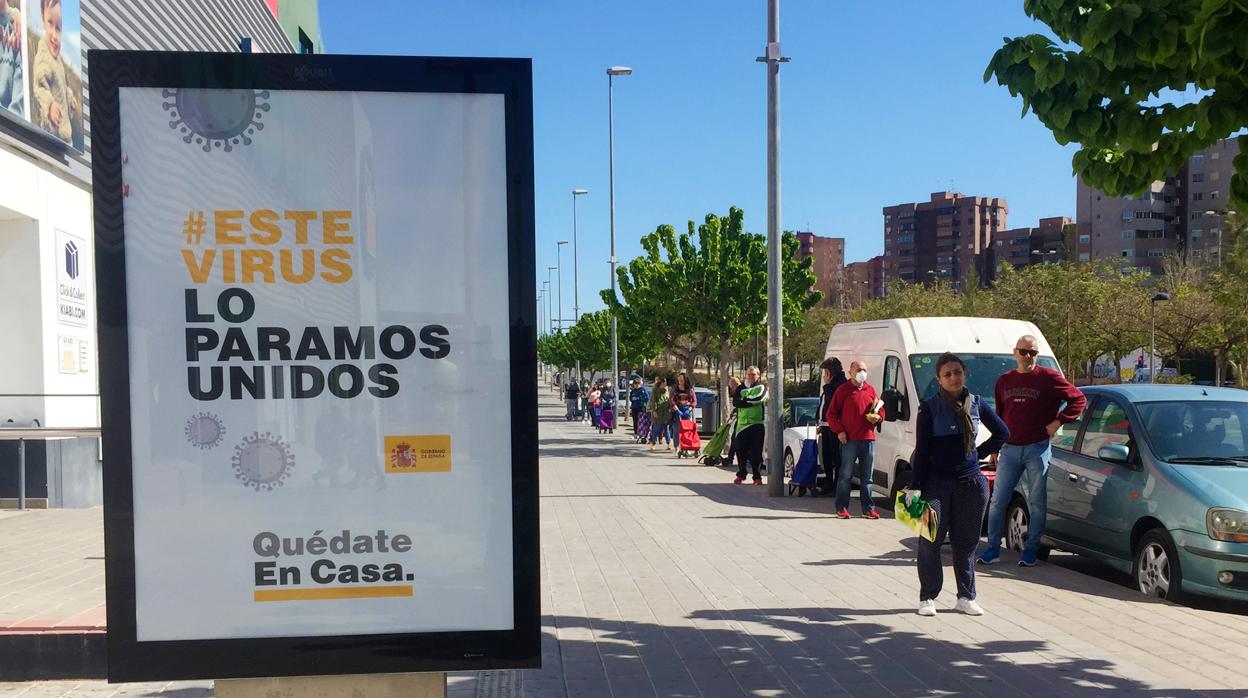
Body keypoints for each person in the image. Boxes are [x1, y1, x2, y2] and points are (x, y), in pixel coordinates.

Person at [909, 353, 1009, 617]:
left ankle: (966, 596)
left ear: (964, 373)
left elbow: (1003, 432)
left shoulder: (976, 403)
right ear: (939, 379)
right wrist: (915, 485)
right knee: (929, 541)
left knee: (966, 543)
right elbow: (922, 450)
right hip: (936, 484)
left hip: (970, 483)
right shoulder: (929, 408)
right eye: (947, 374)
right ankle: (927, 597)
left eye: (957, 372)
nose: (954, 378)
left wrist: (979, 453)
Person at [980, 335, 1087, 567]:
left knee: (1036, 501)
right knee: (998, 500)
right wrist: (995, 447)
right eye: (1024, 351)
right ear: (1014, 352)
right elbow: (999, 416)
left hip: (1037, 448)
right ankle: (992, 548)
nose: (1028, 356)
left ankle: (1031, 550)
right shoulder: (1004, 381)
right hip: (1009, 449)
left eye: (1033, 353)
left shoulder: (1049, 378)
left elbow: (1078, 399)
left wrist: (1059, 421)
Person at [827, 360, 884, 519]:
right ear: (851, 372)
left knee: (867, 478)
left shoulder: (870, 390)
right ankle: (841, 508)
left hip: (868, 440)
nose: (862, 373)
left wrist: (878, 418)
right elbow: (831, 414)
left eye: (864, 370)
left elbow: (881, 409)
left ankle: (868, 508)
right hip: (849, 441)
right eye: (859, 369)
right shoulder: (843, 390)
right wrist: (839, 431)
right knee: (845, 476)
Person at [31, 0, 77, 144]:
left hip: (65, 134)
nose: (54, 35)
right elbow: (39, 87)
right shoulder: (44, 57)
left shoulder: (57, 60)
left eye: (59, 28)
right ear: (42, 19)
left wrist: (70, 97)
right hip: (52, 131)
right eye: (50, 23)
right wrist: (49, 105)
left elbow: (61, 86)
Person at [731, 366, 768, 485]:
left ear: (758, 375)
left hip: (756, 424)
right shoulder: (740, 388)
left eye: (753, 374)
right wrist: (748, 401)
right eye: (749, 374)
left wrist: (744, 400)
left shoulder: (762, 387)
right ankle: (741, 474)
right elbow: (736, 402)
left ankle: (757, 477)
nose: (751, 377)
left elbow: (759, 399)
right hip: (741, 425)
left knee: (755, 453)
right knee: (740, 452)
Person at [818, 357, 848, 495]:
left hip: (835, 427)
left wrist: (828, 385)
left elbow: (832, 405)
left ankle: (836, 487)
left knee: (836, 458)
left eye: (825, 373)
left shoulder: (839, 386)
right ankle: (829, 483)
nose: (824, 376)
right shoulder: (831, 386)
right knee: (827, 457)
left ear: (830, 373)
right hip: (825, 425)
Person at [669, 373, 696, 445]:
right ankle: (677, 446)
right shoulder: (674, 389)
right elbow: (671, 400)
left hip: (687, 409)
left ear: (685, 380)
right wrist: (676, 409)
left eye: (682, 379)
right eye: (679, 379)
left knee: (687, 429)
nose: (680, 380)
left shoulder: (690, 389)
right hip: (677, 409)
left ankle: (686, 445)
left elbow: (694, 401)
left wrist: (690, 409)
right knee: (677, 429)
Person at [648, 377, 672, 450]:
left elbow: (669, 399)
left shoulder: (667, 389)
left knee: (666, 428)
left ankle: (669, 443)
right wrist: (654, 410)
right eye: (664, 382)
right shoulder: (655, 390)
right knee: (656, 428)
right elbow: (652, 400)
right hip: (658, 412)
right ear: (661, 383)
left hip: (665, 412)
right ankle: (653, 443)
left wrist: (670, 408)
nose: (666, 384)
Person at [722, 375, 741, 470]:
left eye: (731, 387)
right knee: (735, 439)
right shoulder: (740, 390)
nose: (731, 389)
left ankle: (730, 459)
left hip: (743, 420)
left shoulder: (740, 391)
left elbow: (742, 404)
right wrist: (734, 411)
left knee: (735, 439)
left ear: (735, 385)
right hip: (741, 418)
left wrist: (735, 411)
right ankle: (731, 458)